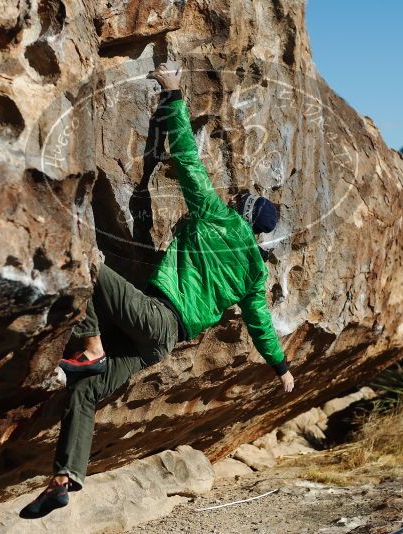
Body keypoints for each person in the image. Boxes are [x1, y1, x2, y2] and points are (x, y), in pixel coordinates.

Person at [20, 62, 294, 518]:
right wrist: (281, 368)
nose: (230, 200)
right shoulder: (253, 273)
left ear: (241, 211)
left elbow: (186, 156)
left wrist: (172, 94)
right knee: (85, 392)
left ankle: (89, 345)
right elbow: (261, 325)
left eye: (237, 202)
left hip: (156, 316)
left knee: (90, 267)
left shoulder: (215, 216)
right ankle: (65, 477)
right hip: (161, 344)